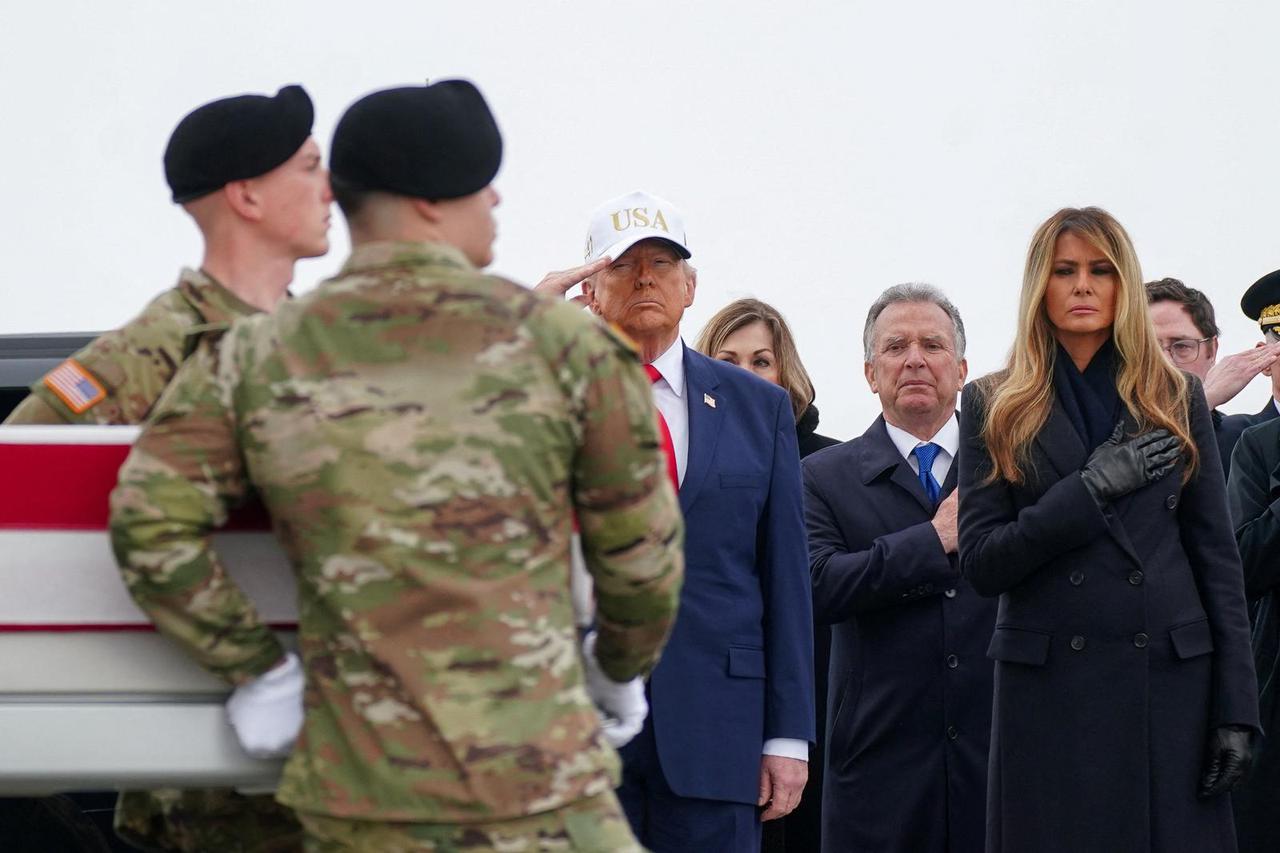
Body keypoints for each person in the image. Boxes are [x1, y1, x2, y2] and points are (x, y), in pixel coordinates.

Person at [109, 82, 684, 851]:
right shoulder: (568, 349)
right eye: (482, 182)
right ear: (430, 202)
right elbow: (643, 557)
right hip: (542, 789)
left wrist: (257, 668)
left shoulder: (255, 353)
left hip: (356, 796)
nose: (496, 197)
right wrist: (616, 669)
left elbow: (150, 521)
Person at [4, 84, 328, 852]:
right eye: (310, 167)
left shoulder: (317, 340)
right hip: (217, 786)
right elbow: (23, 483)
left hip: (331, 768)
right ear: (246, 194)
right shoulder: (158, 349)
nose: (329, 189)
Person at [957, 206, 1258, 852]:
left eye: (1101, 270)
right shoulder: (993, 401)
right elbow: (982, 562)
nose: (1084, 286)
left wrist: (1237, 708)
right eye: (1065, 270)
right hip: (1048, 702)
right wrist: (1087, 491)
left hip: (1167, 694)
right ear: (1040, 284)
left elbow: (1217, 563)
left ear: (1124, 283)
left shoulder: (1174, 395)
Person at [569, 190, 813, 853]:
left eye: (663, 262)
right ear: (589, 288)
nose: (646, 278)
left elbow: (785, 574)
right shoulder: (549, 396)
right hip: (578, 730)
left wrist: (788, 734)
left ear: (691, 285)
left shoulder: (757, 407)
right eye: (624, 265)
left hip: (717, 729)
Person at [803, 283, 994, 853]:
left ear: (961, 370)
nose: (914, 359)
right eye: (895, 347)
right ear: (869, 372)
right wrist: (931, 542)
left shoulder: (1010, 463)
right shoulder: (823, 475)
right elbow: (816, 586)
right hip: (879, 765)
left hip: (998, 757)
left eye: (932, 345)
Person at [694, 297, 834, 853]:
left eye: (761, 361)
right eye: (728, 361)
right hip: (715, 693)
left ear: (785, 372)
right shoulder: (679, 462)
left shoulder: (832, 465)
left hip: (812, 691)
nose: (745, 375)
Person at [1146, 277, 1280, 474]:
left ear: (1212, 351)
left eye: (1182, 346)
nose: (1166, 362)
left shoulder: (1226, 435)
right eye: (1148, 348)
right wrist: (1202, 400)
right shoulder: (1233, 439)